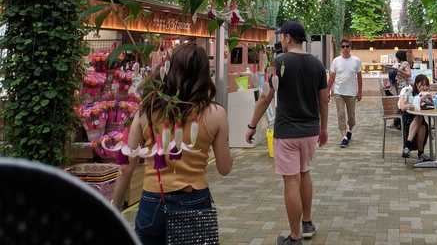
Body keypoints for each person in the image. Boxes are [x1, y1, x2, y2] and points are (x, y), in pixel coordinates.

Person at [111, 43, 233, 245]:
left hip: (153, 200)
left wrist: (115, 206)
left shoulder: (147, 109)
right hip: (195, 198)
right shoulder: (216, 114)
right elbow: (224, 168)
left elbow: (126, 167)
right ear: (204, 74)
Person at [246, 21, 329, 245]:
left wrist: (252, 125)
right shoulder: (317, 65)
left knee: (291, 181)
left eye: (281, 36)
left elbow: (265, 97)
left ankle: (294, 237)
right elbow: (324, 100)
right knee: (305, 173)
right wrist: (323, 128)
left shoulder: (278, 62)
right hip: (311, 131)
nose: (280, 40)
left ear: (289, 38)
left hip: (287, 132)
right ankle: (308, 222)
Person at [328, 38, 362, 148]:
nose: (345, 48)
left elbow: (359, 77)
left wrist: (360, 92)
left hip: (351, 93)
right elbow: (332, 77)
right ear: (341, 48)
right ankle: (344, 137)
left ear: (350, 47)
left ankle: (349, 131)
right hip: (339, 92)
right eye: (343, 46)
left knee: (351, 117)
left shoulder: (356, 60)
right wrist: (328, 91)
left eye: (347, 46)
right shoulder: (336, 61)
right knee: (341, 114)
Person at [398, 74, 430, 162]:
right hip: (407, 117)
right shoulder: (408, 90)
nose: (424, 87)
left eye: (426, 85)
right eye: (422, 85)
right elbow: (402, 107)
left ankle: (412, 150)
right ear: (416, 84)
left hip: (418, 118)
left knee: (422, 126)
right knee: (420, 119)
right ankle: (413, 149)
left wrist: (427, 100)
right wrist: (414, 103)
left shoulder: (424, 95)